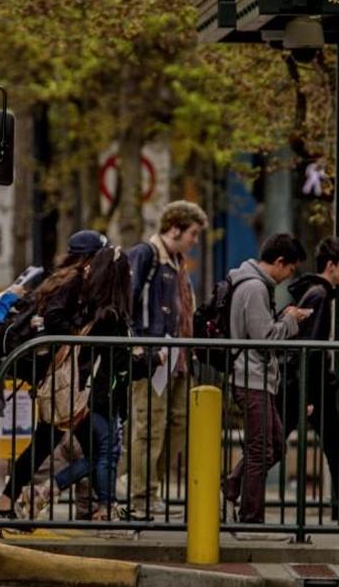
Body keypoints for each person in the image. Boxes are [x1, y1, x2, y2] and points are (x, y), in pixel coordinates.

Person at [18, 246, 143, 520]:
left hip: (87, 393)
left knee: (99, 454)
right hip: (99, 396)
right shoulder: (110, 316)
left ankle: (50, 491)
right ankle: (103, 508)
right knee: (106, 452)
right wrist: (149, 359)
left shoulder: (92, 310)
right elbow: (119, 364)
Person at [0, 229, 108, 516]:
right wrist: (80, 332)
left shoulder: (64, 278)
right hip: (59, 379)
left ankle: (8, 501)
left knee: (47, 443)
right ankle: (50, 494)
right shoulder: (75, 281)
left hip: (53, 377)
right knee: (99, 448)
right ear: (91, 258)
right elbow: (56, 317)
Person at [124, 201, 207, 519]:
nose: (194, 241)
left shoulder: (176, 262)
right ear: (175, 229)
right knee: (149, 424)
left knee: (179, 421)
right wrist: (137, 346)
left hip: (177, 356)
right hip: (154, 354)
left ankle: (144, 481)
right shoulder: (147, 255)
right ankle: (141, 491)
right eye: (193, 234)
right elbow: (127, 299)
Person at [284, 237, 339, 523]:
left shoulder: (314, 293)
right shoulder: (320, 296)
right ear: (331, 265)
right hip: (315, 385)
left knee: (278, 441)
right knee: (336, 445)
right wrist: (310, 394)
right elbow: (311, 348)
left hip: (310, 384)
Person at [222, 233, 311, 525]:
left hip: (257, 377)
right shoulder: (255, 288)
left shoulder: (250, 283)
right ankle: (251, 516)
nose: (289, 276)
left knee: (275, 443)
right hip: (251, 378)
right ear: (280, 261)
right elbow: (264, 337)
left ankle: (234, 483)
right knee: (261, 449)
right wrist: (290, 320)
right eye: (290, 269)